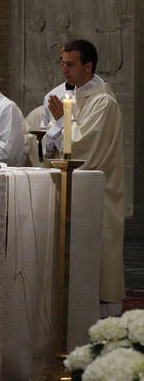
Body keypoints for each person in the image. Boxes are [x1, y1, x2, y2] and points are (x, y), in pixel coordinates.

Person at [43, 40, 125, 314]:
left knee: (100, 265)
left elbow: (85, 147)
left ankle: (103, 326)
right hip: (74, 192)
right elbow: (59, 147)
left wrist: (59, 123)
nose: (63, 69)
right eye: (62, 62)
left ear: (88, 67)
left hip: (98, 196)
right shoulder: (76, 98)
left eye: (70, 63)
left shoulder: (103, 103)